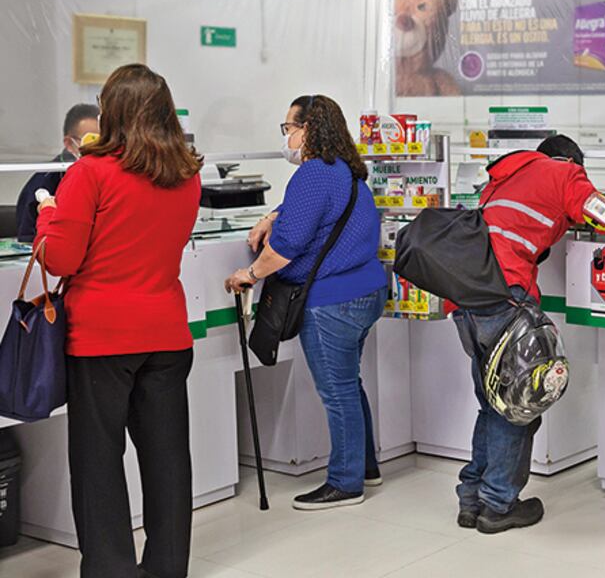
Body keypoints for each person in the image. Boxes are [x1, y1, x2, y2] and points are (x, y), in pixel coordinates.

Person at [35, 65, 202, 578]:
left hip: (102, 340)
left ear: (111, 113)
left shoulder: (91, 172)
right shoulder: (186, 172)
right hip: (168, 333)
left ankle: (111, 569)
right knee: (168, 459)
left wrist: (47, 212)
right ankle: (168, 566)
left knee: (99, 462)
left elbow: (60, 258)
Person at [451, 134, 605, 534]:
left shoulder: (506, 176)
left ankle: (471, 498)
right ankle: (498, 504)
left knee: (493, 404)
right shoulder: (564, 173)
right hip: (506, 297)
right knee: (518, 407)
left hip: (465, 299)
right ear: (571, 161)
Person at [225, 95, 387, 511]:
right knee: (349, 384)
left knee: (336, 392)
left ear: (308, 129)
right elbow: (310, 212)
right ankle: (365, 466)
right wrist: (272, 215)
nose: (288, 137)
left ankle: (346, 482)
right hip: (365, 292)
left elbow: (289, 245)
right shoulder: (346, 171)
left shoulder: (314, 173)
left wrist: (251, 274)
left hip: (332, 301)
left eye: (289, 128)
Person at [16, 104, 100, 242]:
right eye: (91, 141)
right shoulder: (44, 182)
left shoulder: (106, 174)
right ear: (69, 143)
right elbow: (29, 242)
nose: (99, 147)